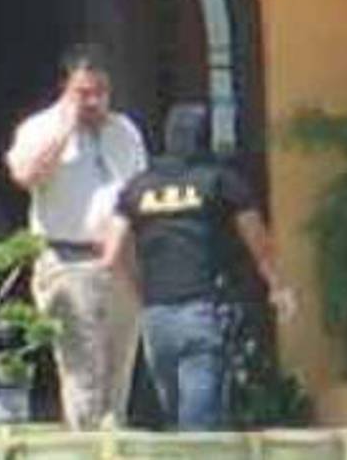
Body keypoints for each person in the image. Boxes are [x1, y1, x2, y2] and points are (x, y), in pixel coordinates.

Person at [98, 102, 296, 431]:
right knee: (199, 427)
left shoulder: (137, 187)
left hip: (156, 318)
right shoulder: (220, 181)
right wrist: (277, 287)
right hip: (203, 309)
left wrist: (140, 293)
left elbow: (111, 253)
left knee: (176, 418)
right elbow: (258, 242)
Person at [4, 44, 147, 430]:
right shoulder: (40, 128)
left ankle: (113, 447)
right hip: (68, 262)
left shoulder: (124, 131)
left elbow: (138, 194)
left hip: (121, 263)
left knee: (119, 377)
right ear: (65, 90)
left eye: (101, 92)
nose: (94, 102)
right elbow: (25, 174)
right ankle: (85, 446)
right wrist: (64, 131)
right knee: (83, 375)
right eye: (84, 93)